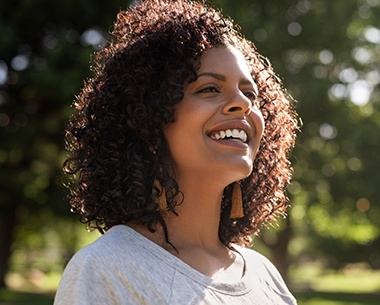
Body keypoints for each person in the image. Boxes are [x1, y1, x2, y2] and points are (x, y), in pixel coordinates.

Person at [54, 0, 299, 304]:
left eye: (250, 94)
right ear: (150, 120)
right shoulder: (107, 267)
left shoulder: (265, 276)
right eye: (209, 88)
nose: (244, 103)